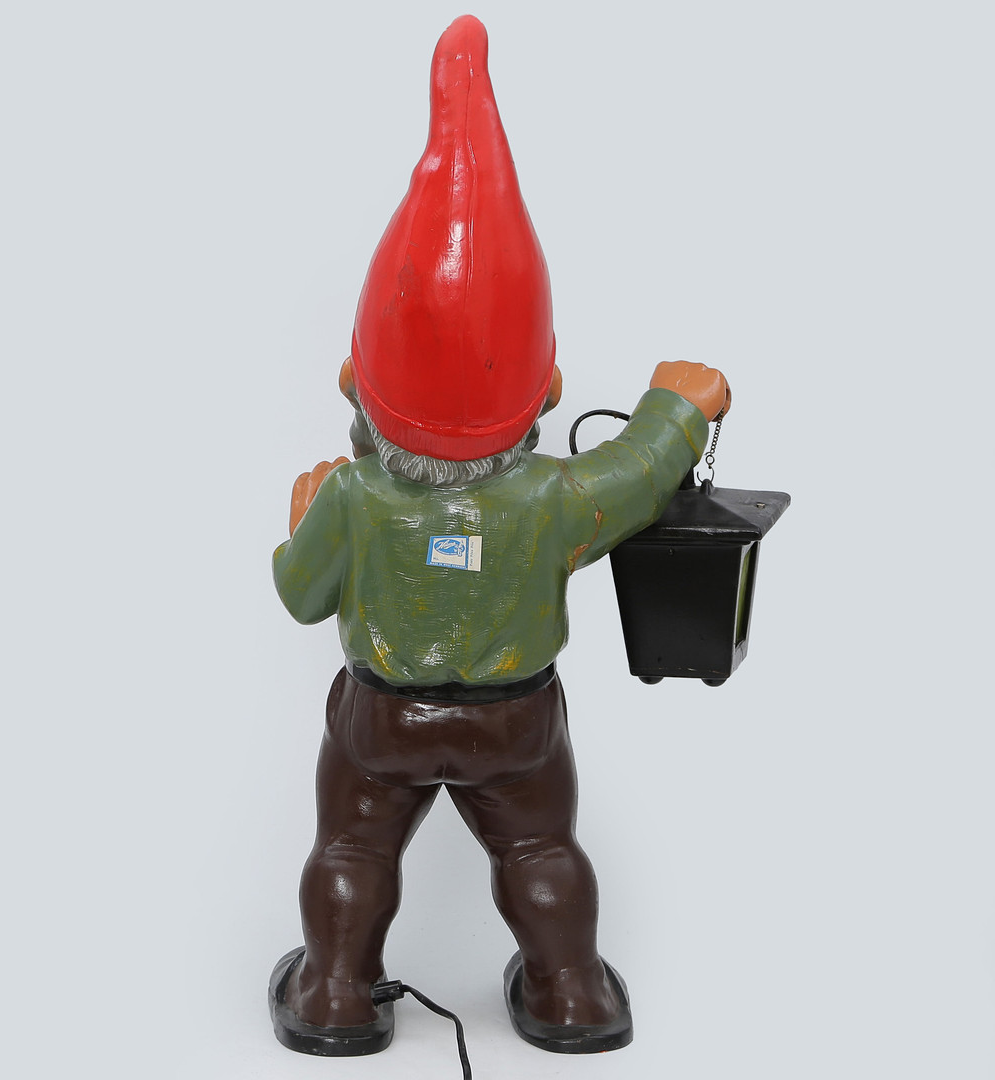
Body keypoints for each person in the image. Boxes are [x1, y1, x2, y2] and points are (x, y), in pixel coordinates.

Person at [268, 15, 729, 1057]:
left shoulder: (353, 495)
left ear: (354, 383)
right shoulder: (555, 498)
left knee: (352, 846)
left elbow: (300, 596)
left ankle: (334, 993)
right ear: (547, 388)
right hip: (515, 722)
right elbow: (638, 474)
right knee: (539, 847)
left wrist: (303, 521)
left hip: (382, 718)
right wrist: (678, 409)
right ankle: (572, 995)